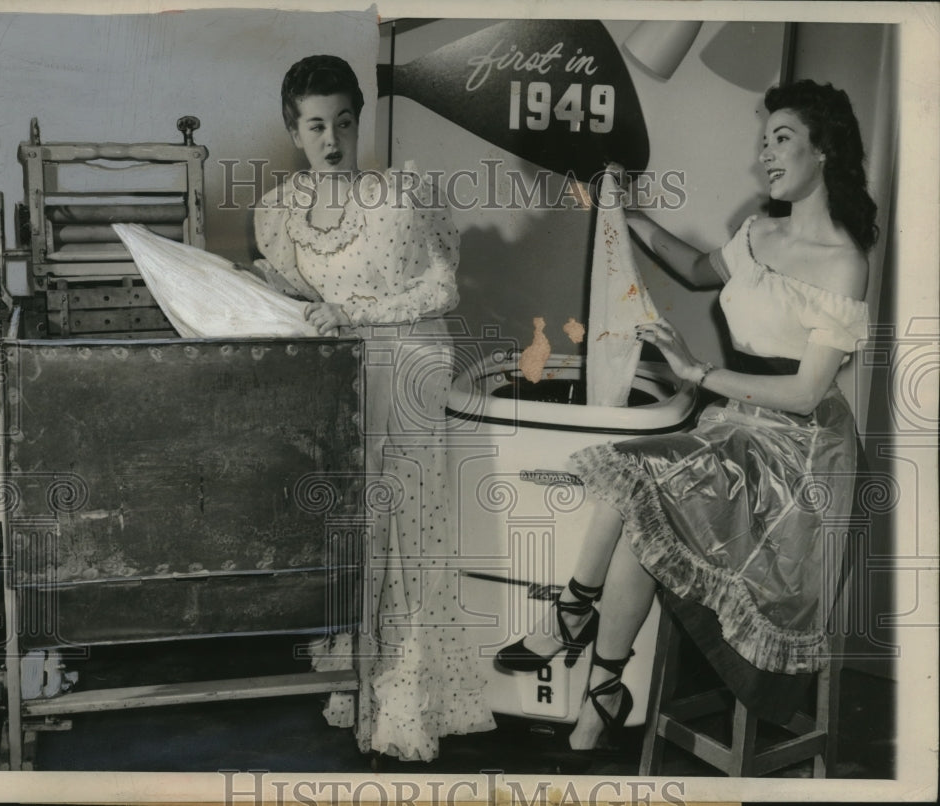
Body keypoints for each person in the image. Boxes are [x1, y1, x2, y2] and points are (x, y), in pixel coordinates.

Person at [496, 79, 876, 754]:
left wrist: (699, 375)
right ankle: (601, 672)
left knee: (648, 490)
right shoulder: (758, 231)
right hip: (739, 423)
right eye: (763, 142)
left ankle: (582, 639)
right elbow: (700, 269)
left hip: (800, 453)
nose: (766, 156)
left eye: (782, 139)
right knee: (638, 484)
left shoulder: (844, 263)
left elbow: (805, 394)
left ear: (827, 151)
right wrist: (625, 211)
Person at [250, 54, 496, 762]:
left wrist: (351, 312)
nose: (333, 140)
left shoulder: (401, 194)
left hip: (411, 363)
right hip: (346, 379)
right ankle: (357, 686)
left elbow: (443, 290)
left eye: (345, 123)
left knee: (410, 531)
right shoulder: (278, 214)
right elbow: (297, 302)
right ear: (294, 130)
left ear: (360, 122)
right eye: (317, 125)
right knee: (360, 531)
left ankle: (409, 700)